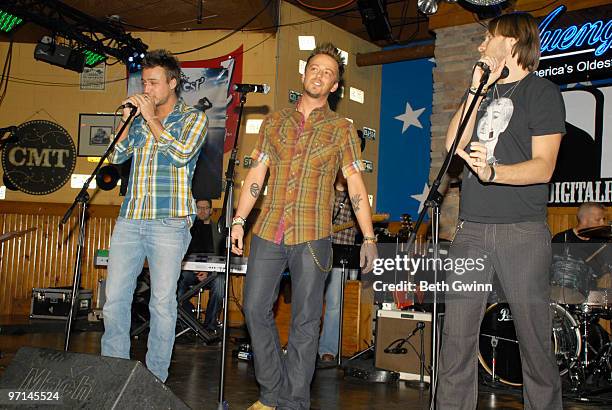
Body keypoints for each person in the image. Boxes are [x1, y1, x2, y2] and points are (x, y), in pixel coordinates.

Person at [230, 43, 378, 410]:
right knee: (253, 309)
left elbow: (356, 184)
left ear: (334, 87)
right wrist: (238, 219)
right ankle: (272, 391)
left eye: (329, 73)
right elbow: (256, 173)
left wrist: (369, 237)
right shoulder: (274, 121)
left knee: (306, 321)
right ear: (304, 74)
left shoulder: (342, 129)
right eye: (315, 68)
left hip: (313, 235)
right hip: (267, 230)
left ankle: (293, 402)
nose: (320, 75)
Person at [436, 13, 566, 409]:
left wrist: (493, 171)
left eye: (486, 38)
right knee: (456, 343)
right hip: (471, 231)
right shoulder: (481, 92)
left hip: (522, 233)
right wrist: (476, 89)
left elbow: (544, 166)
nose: (479, 46)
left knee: (534, 344)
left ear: (510, 42)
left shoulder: (541, 92)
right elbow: (451, 145)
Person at [101, 49, 208, 382]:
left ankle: (154, 378)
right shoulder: (139, 119)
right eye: (144, 81)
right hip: (131, 217)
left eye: (153, 82)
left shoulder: (193, 118)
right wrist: (126, 121)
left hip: (170, 222)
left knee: (161, 303)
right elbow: (116, 154)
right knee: (114, 298)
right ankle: (114, 371)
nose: (146, 88)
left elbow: (180, 155)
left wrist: (151, 119)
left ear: (172, 83)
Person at [317, 170, 360, 367]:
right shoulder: (323, 190)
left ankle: (327, 349)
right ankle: (305, 346)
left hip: (341, 257)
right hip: (318, 252)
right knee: (311, 302)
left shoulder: (354, 194)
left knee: (334, 304)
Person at [177, 198, 225, 335]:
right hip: (189, 271)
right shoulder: (186, 229)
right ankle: (189, 321)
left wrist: (208, 270)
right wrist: (194, 268)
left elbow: (222, 256)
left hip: (212, 272)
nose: (202, 211)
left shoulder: (219, 230)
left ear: (211, 210)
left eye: (205, 208)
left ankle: (209, 325)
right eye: (199, 207)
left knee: (221, 282)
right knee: (177, 282)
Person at [551, 202, 611, 295]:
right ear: (584, 220)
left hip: (592, 296)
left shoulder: (602, 243)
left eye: (603, 219)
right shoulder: (561, 239)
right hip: (562, 293)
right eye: (598, 219)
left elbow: (605, 271)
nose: (603, 223)